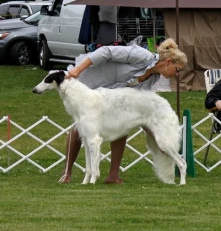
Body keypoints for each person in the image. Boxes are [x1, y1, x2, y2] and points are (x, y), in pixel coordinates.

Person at [59, 39, 187, 184]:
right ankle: (66, 173)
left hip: (112, 96)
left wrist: (156, 133)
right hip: (92, 82)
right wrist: (77, 70)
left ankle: (113, 176)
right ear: (168, 61)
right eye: (177, 70)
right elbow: (104, 52)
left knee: (122, 125)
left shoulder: (153, 79)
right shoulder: (142, 55)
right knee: (80, 127)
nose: (177, 75)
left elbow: (135, 100)